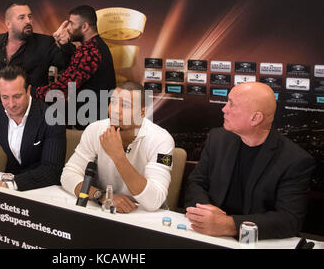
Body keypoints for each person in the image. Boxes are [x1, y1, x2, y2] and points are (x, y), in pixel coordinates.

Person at [185, 82, 315, 239]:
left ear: (255, 118)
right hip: (209, 235)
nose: (224, 109)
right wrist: (205, 214)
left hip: (254, 242)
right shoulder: (217, 139)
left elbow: (289, 220)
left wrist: (229, 225)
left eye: (231, 105)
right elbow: (196, 183)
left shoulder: (295, 160)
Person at [61, 81, 174, 213]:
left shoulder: (161, 139)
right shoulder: (95, 130)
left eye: (125, 106)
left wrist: (119, 157)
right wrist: (102, 196)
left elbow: (154, 201)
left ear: (142, 113)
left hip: (145, 215)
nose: (115, 111)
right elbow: (68, 175)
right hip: (104, 209)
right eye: (113, 102)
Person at [0, 2, 73, 113]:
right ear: (8, 24)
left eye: (29, 16)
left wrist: (65, 44)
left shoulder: (45, 43)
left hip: (29, 113)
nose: (28, 21)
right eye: (21, 17)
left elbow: (67, 63)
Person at [35, 5, 116, 128]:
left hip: (91, 122)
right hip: (94, 119)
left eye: (71, 24)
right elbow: (76, 67)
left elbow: (63, 88)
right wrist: (65, 44)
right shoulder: (95, 46)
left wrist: (30, 92)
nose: (68, 28)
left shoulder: (90, 51)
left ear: (84, 27)